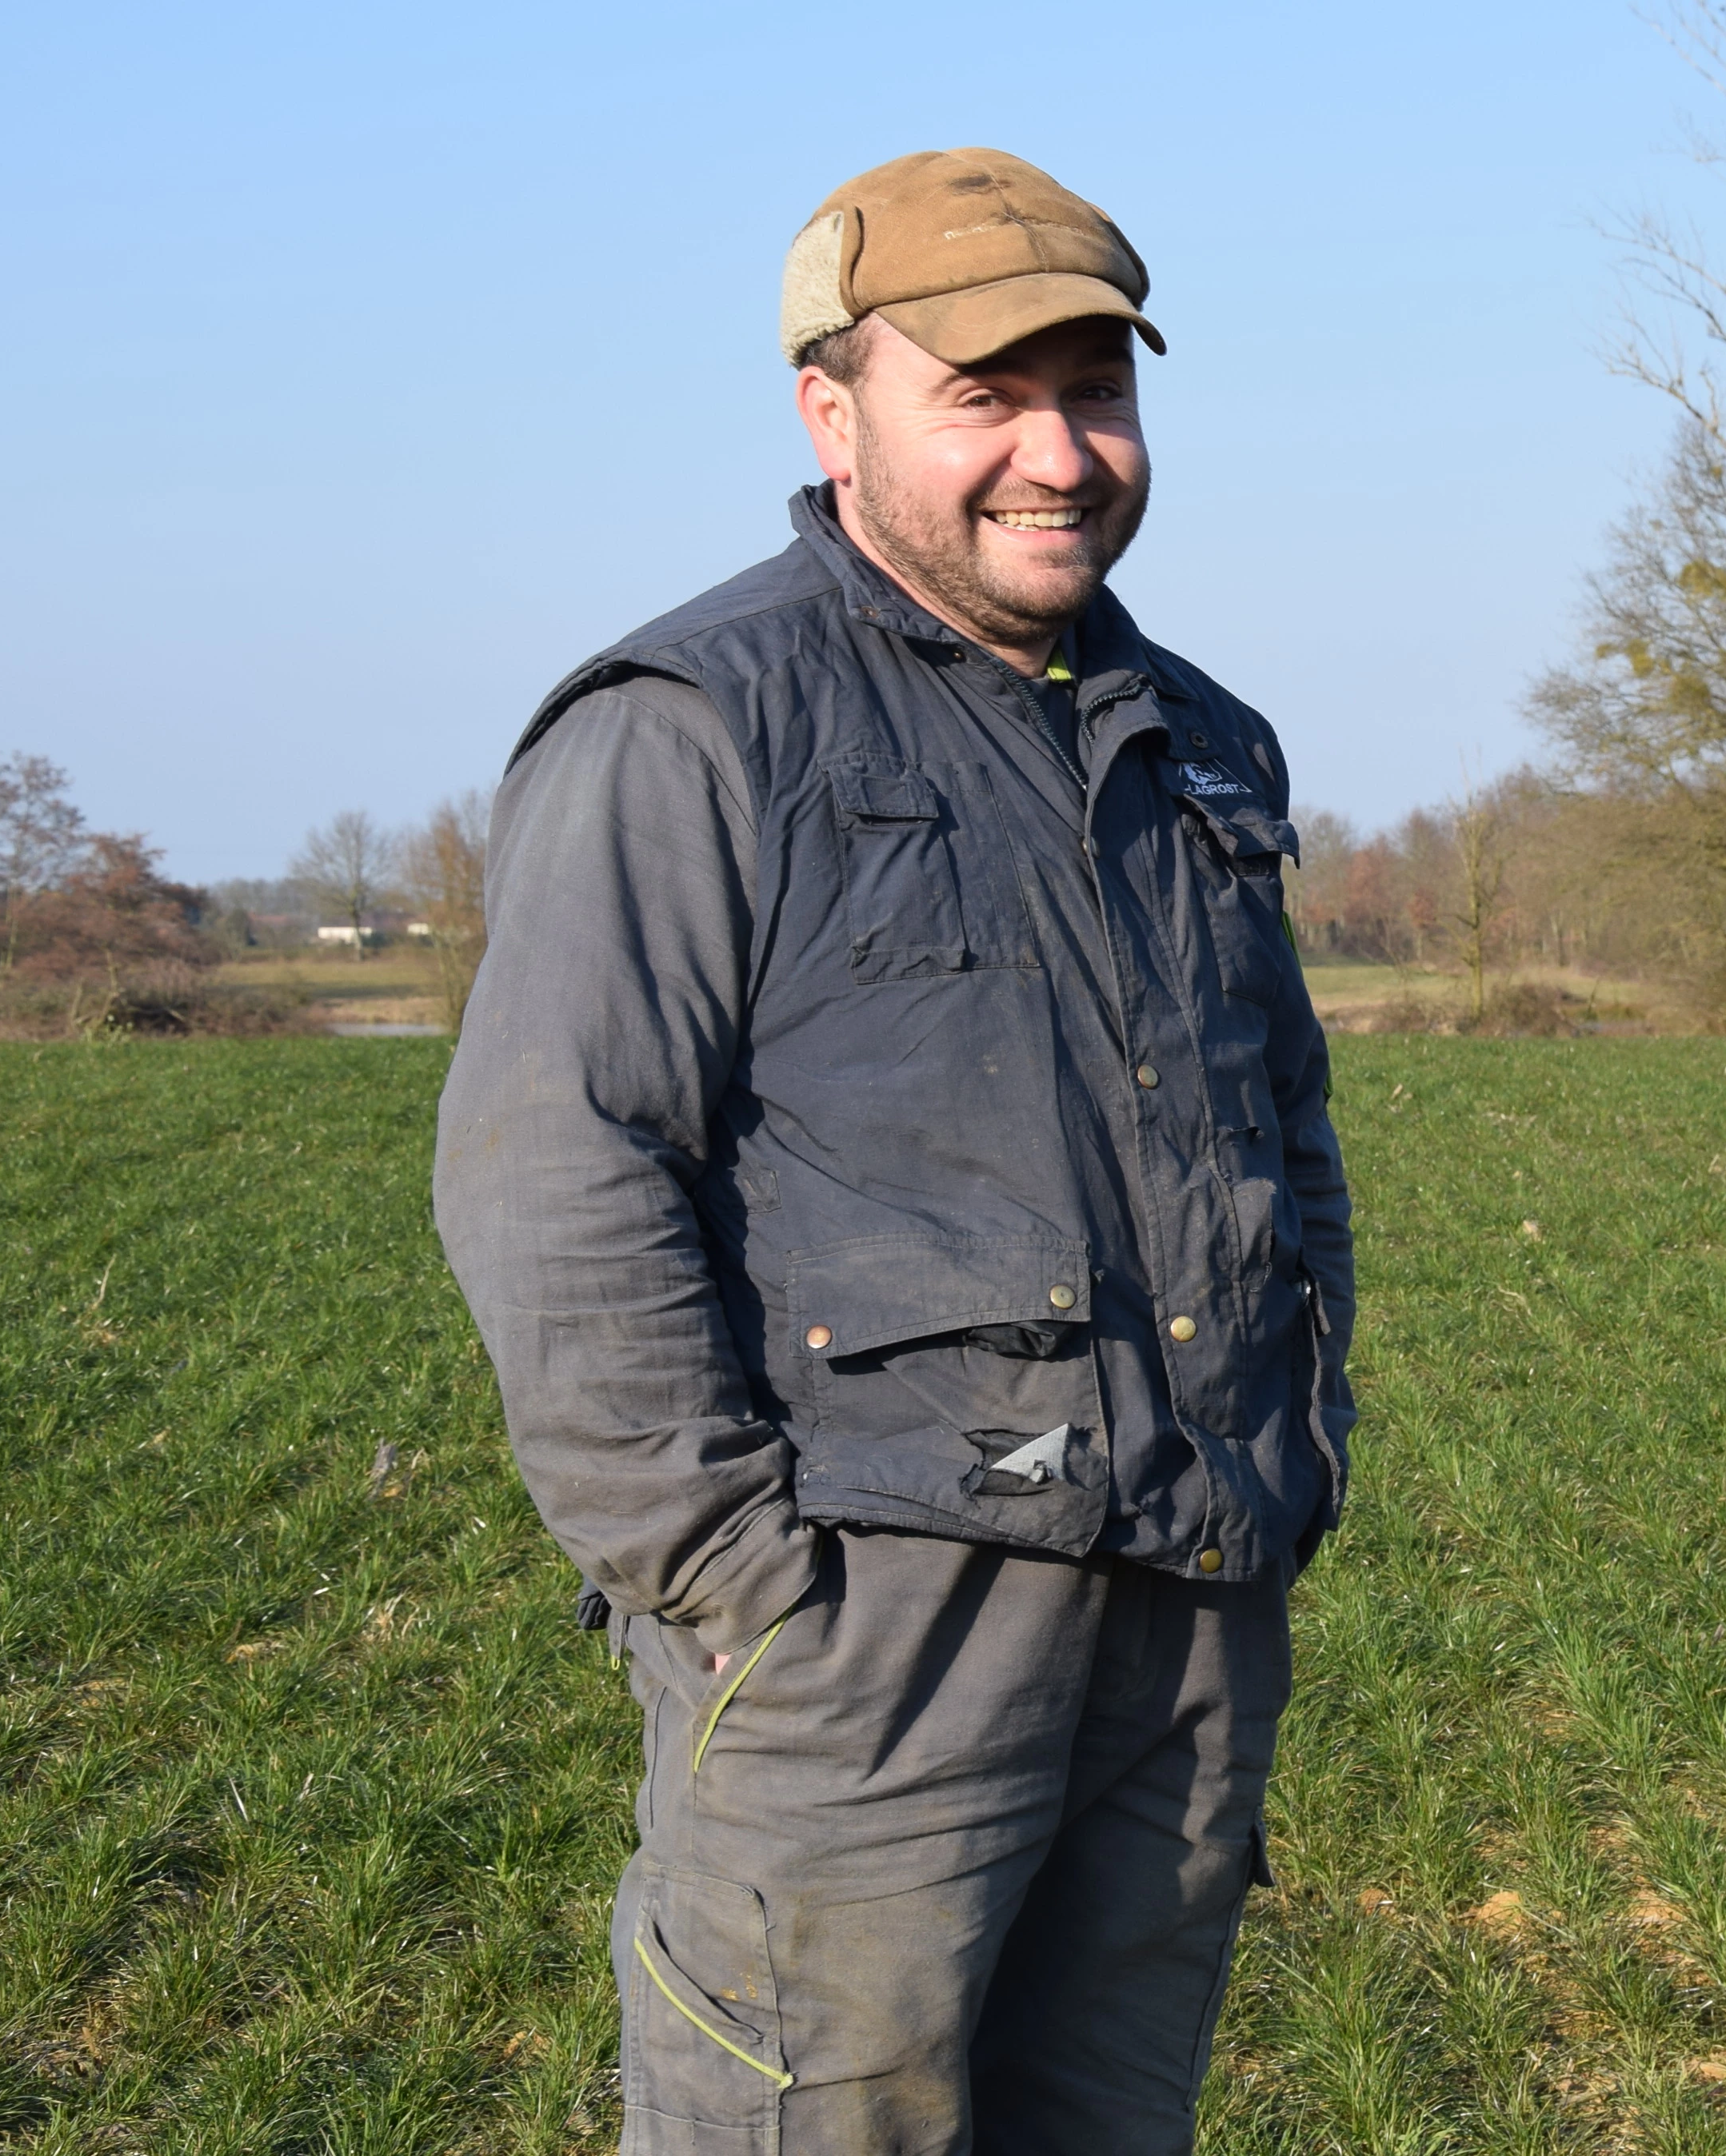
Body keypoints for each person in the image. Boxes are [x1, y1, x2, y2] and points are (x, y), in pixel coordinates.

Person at [433, 147, 1353, 2154]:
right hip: (870, 1641)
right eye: (986, 396)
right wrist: (739, 1588)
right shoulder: (691, 729)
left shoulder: (1204, 742)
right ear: (830, 412)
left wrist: (1302, 1435)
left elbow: (1280, 1124)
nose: (1059, 452)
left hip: (1186, 1609)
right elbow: (553, 1175)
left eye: (1095, 389)